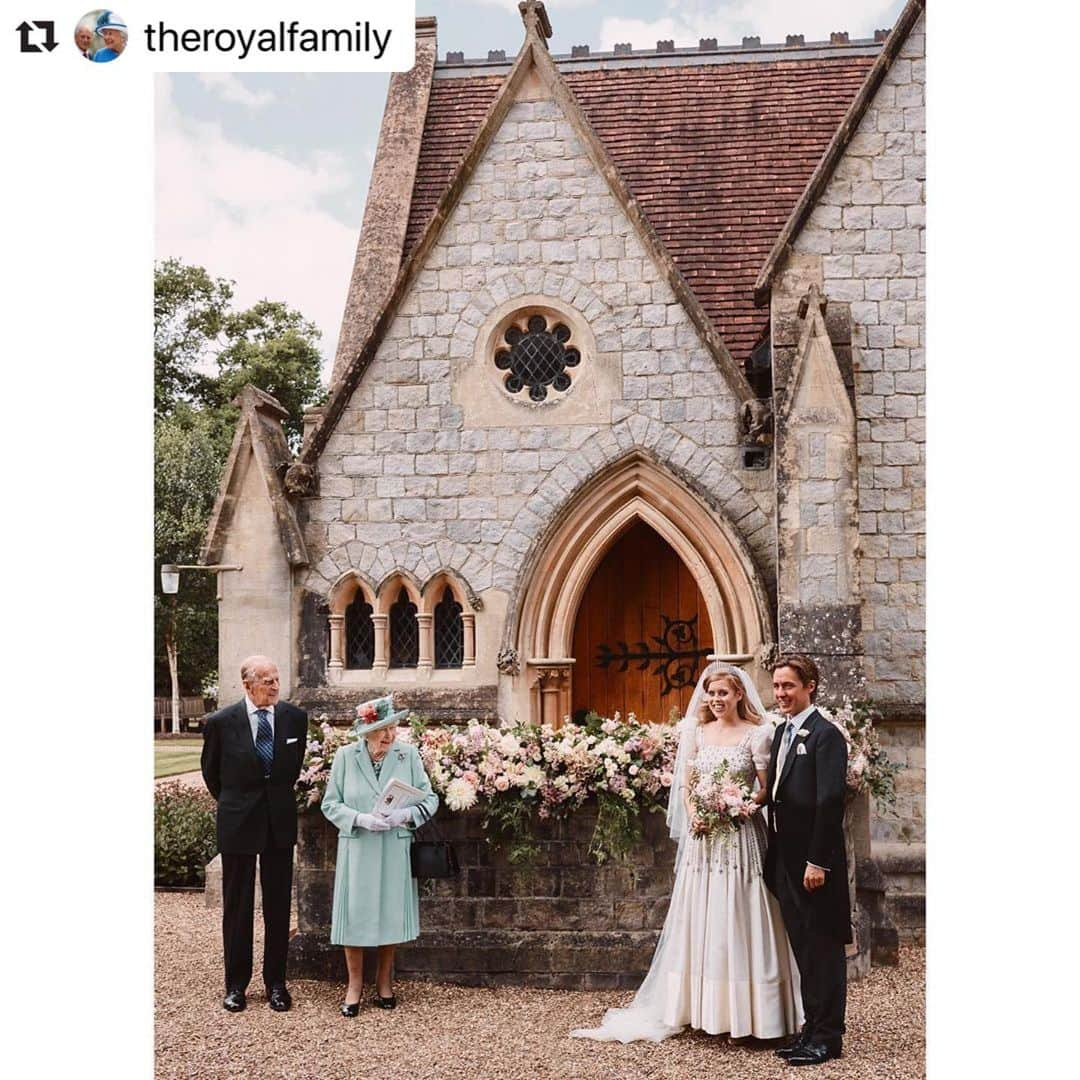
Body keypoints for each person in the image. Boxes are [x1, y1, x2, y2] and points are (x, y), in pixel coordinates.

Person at [572, 661, 802, 1044]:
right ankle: (702, 1008)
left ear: (739, 695)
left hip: (740, 836)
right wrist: (697, 813)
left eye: (723, 693)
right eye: (711, 693)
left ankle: (753, 1012)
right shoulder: (696, 731)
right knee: (704, 913)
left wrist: (742, 805)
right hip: (704, 840)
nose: (715, 700)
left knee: (742, 912)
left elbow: (766, 788)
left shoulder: (758, 734)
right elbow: (685, 786)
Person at [200, 655, 308, 1013]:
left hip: (279, 822)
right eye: (267, 680)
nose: (275, 686)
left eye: (277, 679)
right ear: (247, 685)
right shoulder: (220, 722)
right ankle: (236, 986)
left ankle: (276, 983)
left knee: (278, 908)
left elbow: (290, 772)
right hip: (237, 822)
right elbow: (211, 774)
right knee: (238, 907)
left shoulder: (296, 718)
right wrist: (238, 804)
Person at [321, 696, 438, 1016]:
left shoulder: (408, 755)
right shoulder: (345, 757)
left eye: (393, 728)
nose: (389, 736)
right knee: (354, 916)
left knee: (389, 913)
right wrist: (360, 819)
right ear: (365, 731)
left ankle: (384, 981)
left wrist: (405, 816)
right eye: (381, 729)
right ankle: (354, 985)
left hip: (393, 845)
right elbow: (330, 804)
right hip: (357, 845)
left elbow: (430, 801)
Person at [765, 655, 850, 1067]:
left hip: (815, 867)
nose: (781, 694)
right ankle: (809, 1030)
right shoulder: (783, 731)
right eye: (777, 686)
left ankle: (828, 1038)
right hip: (785, 860)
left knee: (824, 949)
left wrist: (818, 861)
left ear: (810, 686)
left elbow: (830, 802)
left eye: (789, 687)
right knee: (803, 949)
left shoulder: (826, 735)